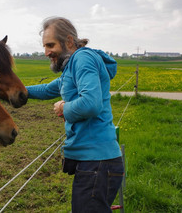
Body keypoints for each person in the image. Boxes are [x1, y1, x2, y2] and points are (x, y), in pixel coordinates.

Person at [26, 17, 124, 212]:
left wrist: (64, 109)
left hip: (97, 163)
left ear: (69, 41)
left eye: (50, 45)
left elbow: (91, 104)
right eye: (45, 46)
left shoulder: (82, 59)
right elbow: (47, 89)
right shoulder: (72, 66)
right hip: (96, 163)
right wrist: (8, 90)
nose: (46, 52)